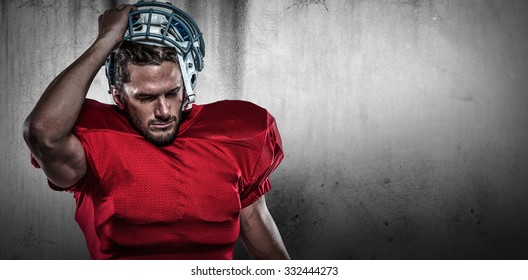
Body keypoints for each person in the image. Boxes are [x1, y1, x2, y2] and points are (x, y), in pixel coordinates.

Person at [22, 1, 289, 260]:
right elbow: (42, 131)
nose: (163, 111)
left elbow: (254, 219)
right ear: (118, 94)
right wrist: (105, 41)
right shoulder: (94, 140)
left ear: (188, 80)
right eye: (146, 98)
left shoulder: (236, 135)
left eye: (172, 93)